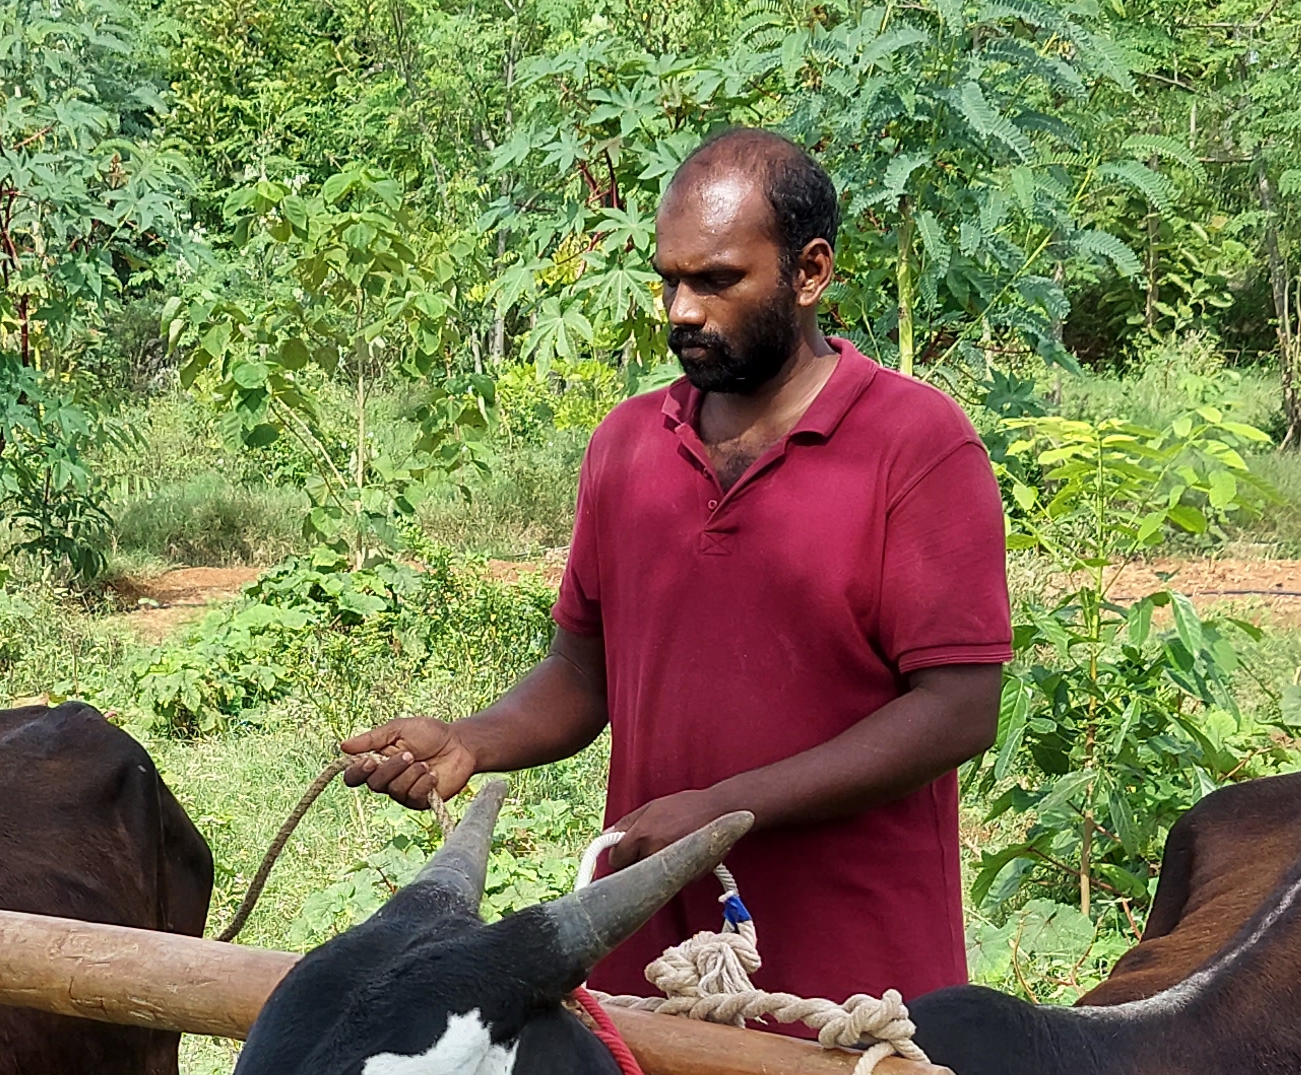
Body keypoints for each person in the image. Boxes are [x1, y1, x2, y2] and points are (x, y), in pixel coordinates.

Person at [340, 130, 1009, 1004]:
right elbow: (583, 674)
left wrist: (724, 809)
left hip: (851, 994)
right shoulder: (627, 447)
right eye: (669, 280)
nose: (682, 310)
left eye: (716, 280)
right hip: (650, 969)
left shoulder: (916, 446)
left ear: (810, 273)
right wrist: (472, 740)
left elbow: (957, 711)